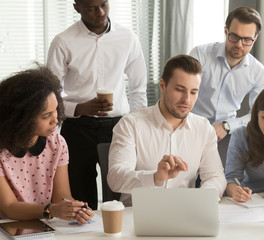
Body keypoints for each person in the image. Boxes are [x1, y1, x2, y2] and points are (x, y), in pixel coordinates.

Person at [46, 0, 147, 209]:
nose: (100, 12)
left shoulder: (128, 38)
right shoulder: (63, 41)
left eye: (104, 4)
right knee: (80, 200)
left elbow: (138, 89)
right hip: (77, 128)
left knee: (121, 197)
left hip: (118, 128)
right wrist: (79, 108)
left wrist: (137, 129)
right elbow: (50, 94)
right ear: (77, 7)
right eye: (91, 8)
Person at [107, 55, 227, 206]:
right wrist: (155, 177)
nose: (187, 100)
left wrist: (203, 199)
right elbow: (115, 178)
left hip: (185, 214)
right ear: (163, 86)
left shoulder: (203, 128)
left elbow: (216, 177)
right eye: (179, 90)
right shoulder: (131, 124)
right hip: (138, 216)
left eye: (193, 92)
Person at [0, 66, 94, 224]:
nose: (55, 120)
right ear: (20, 118)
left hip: (45, 225)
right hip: (8, 227)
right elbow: (9, 207)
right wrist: (50, 210)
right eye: (46, 115)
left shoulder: (57, 144)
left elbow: (61, 197)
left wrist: (76, 210)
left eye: (56, 110)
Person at [189, 6, 264, 165]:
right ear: (226, 31)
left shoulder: (257, 72)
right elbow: (182, 91)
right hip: (191, 129)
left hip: (226, 135)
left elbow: (258, 114)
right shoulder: (200, 55)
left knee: (224, 183)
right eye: (234, 36)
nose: (239, 44)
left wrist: (226, 126)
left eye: (247, 40)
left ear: (255, 38)